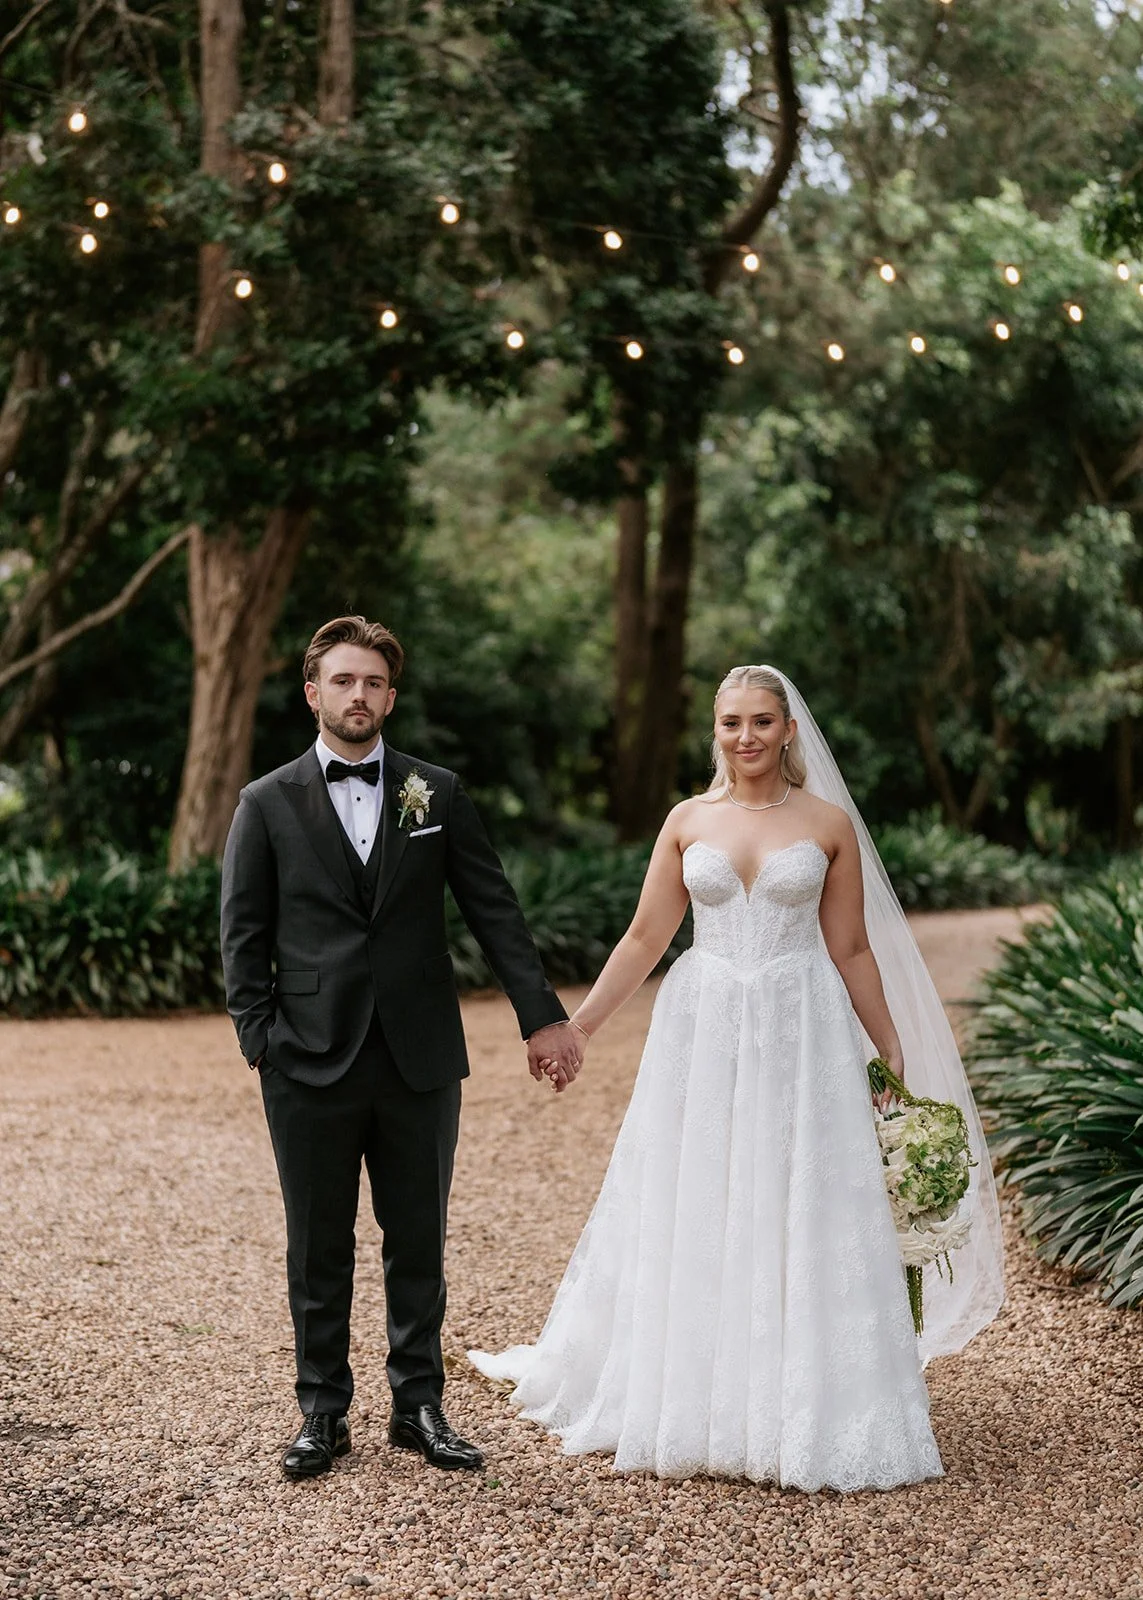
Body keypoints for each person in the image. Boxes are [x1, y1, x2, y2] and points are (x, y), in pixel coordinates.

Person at [470, 664, 1004, 1492]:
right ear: (713, 730)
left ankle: (809, 1396)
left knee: (804, 1192)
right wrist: (578, 1026)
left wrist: (887, 1044)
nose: (745, 737)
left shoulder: (826, 824)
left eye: (761, 721)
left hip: (803, 1026)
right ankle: (700, 1389)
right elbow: (646, 936)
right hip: (706, 1024)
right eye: (730, 723)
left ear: (789, 730)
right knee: (704, 1186)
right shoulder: (687, 821)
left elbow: (851, 946)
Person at [221, 615, 581, 1480]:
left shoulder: (437, 793)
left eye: (373, 682)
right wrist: (260, 1040)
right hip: (306, 1057)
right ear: (314, 692)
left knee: (416, 1236)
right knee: (317, 1242)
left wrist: (541, 1016)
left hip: (420, 1055)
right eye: (342, 681)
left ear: (391, 694)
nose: (358, 695)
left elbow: (494, 909)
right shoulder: (265, 803)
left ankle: (418, 1406)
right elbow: (242, 933)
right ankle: (322, 1411)